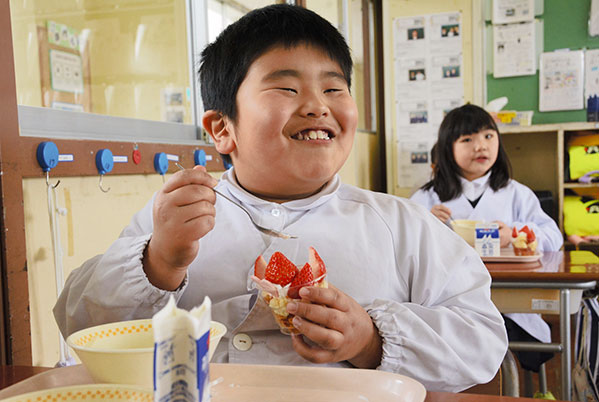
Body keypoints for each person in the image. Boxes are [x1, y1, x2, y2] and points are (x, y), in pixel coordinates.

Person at [53, 5, 507, 392]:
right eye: (287, 88)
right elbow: (79, 324)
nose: (317, 104)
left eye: (333, 87)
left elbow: (482, 339)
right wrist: (159, 262)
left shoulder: (399, 223)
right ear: (222, 129)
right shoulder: (178, 220)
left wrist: (371, 340)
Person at [410, 104, 563, 373]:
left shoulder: (517, 193)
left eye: (488, 136)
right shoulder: (428, 197)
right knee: (450, 349)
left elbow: (553, 237)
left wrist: (515, 234)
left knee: (509, 347)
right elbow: (404, 242)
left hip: (513, 301)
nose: (480, 146)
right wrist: (425, 223)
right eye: (467, 139)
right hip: (449, 303)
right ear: (448, 148)